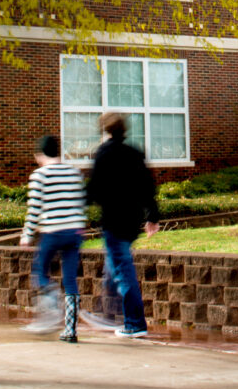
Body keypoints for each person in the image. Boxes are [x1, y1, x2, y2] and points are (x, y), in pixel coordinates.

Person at [85, 112, 160, 338]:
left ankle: (134, 323)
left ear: (105, 131)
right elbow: (148, 185)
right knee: (112, 266)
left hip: (114, 221)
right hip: (132, 220)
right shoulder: (133, 152)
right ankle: (109, 314)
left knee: (122, 270)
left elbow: (94, 190)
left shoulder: (104, 153)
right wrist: (152, 216)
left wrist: (78, 205)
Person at [22, 134, 87, 342]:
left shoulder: (39, 175)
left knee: (40, 271)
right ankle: (70, 330)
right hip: (74, 231)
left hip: (52, 230)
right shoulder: (74, 173)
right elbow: (80, 202)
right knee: (70, 279)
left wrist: (27, 236)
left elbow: (34, 210)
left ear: (39, 154)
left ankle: (50, 299)